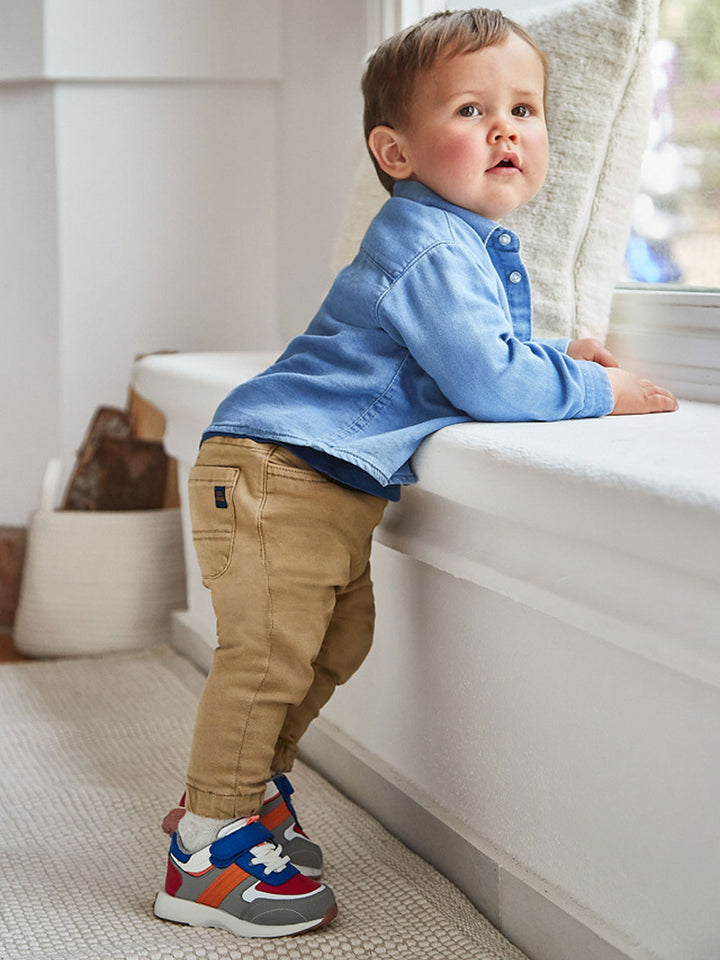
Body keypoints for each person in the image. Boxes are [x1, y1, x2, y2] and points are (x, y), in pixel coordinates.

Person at [154, 7, 678, 940]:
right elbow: (487, 379)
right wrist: (604, 392)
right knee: (268, 657)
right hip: (278, 470)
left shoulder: (455, 244)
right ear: (396, 152)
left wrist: (560, 360)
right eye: (472, 111)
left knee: (334, 644)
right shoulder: (428, 240)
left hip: (318, 480)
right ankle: (206, 846)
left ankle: (243, 792)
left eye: (524, 109)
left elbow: (470, 354)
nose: (506, 129)